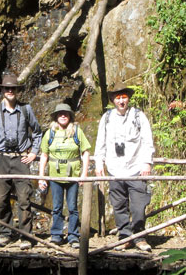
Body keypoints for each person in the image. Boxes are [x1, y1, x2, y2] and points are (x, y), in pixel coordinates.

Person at [0, 74, 42, 249]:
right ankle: (4, 234)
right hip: (1, 159)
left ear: (17, 91)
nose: (10, 91)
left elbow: (37, 132)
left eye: (13, 88)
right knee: (2, 198)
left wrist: (33, 152)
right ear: (3, 91)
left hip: (21, 159)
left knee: (24, 199)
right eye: (7, 88)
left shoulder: (26, 109)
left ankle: (25, 236)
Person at [94, 82, 155, 252]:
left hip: (136, 168)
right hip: (115, 169)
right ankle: (125, 237)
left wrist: (147, 162)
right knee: (119, 205)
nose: (121, 101)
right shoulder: (106, 118)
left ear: (128, 98)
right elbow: (101, 143)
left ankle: (139, 237)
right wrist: (99, 163)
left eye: (124, 97)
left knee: (138, 205)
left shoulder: (138, 116)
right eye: (118, 97)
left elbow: (147, 140)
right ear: (113, 99)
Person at [38, 103, 91, 248]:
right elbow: (44, 155)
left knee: (73, 207)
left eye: (65, 114)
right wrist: (41, 176)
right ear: (56, 116)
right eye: (60, 113)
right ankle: (56, 235)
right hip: (55, 175)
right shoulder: (50, 133)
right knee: (57, 207)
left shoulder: (77, 131)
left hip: (73, 175)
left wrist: (83, 174)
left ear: (70, 116)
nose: (63, 116)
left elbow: (85, 152)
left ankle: (73, 235)